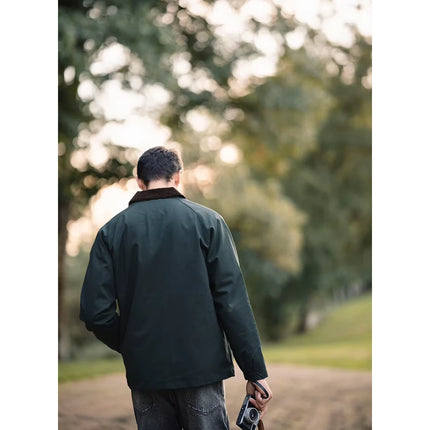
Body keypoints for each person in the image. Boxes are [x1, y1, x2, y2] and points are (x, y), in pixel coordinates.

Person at [80, 146, 272, 429]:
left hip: (146, 373)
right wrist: (255, 371)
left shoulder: (111, 232)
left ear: (140, 182)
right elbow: (232, 302)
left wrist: (134, 345)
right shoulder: (209, 223)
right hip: (201, 370)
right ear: (178, 177)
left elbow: (96, 313)